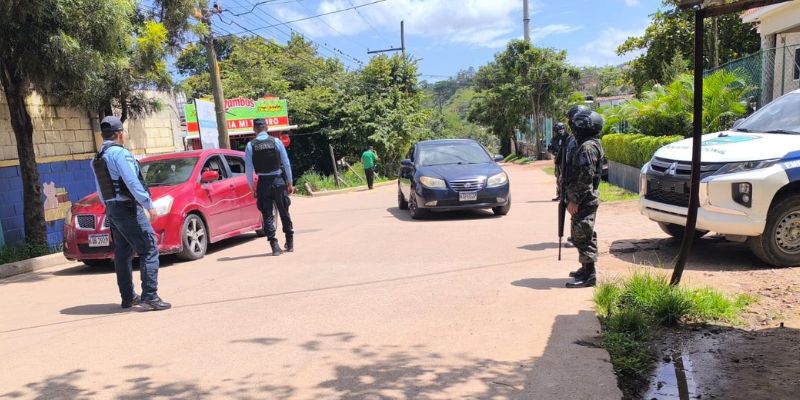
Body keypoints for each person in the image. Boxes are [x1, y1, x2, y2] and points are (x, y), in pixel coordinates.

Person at [91, 116, 170, 310]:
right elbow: (132, 182)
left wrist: (109, 206)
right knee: (149, 247)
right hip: (127, 208)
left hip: (112, 208)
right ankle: (150, 296)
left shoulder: (98, 157)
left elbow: (101, 188)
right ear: (119, 134)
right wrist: (148, 204)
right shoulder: (120, 154)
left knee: (123, 253)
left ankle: (128, 297)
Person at [563, 109, 605, 288]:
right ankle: (585, 268)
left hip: (584, 199)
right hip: (585, 199)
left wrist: (575, 200)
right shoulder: (591, 143)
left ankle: (589, 275)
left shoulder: (587, 147)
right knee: (582, 233)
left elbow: (585, 177)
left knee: (583, 236)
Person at [245, 118, 294, 256]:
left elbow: (248, 169)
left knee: (267, 214)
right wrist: (290, 182)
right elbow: (286, 163)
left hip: (263, 183)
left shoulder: (250, 146)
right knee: (284, 211)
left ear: (254, 129)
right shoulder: (276, 142)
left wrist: (252, 187)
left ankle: (274, 246)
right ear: (266, 127)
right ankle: (289, 242)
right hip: (278, 181)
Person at [548, 122, 569, 201]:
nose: (560, 131)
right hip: (558, 161)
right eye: (557, 130)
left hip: (566, 161)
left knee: (565, 177)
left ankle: (566, 195)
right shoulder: (554, 139)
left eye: (560, 129)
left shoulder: (567, 137)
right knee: (558, 177)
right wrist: (554, 152)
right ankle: (560, 194)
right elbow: (550, 148)